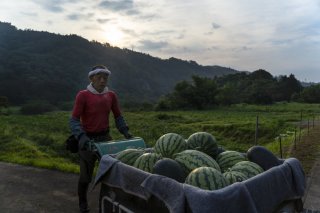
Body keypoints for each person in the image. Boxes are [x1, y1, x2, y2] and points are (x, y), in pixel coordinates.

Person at [69, 64, 132, 212]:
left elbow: (118, 116)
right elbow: (74, 120)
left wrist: (125, 131)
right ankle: (83, 203)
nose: (103, 80)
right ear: (92, 78)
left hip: (105, 138)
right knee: (86, 176)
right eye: (99, 77)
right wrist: (81, 136)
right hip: (87, 140)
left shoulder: (111, 96)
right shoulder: (83, 95)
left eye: (105, 77)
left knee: (110, 171)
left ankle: (110, 201)